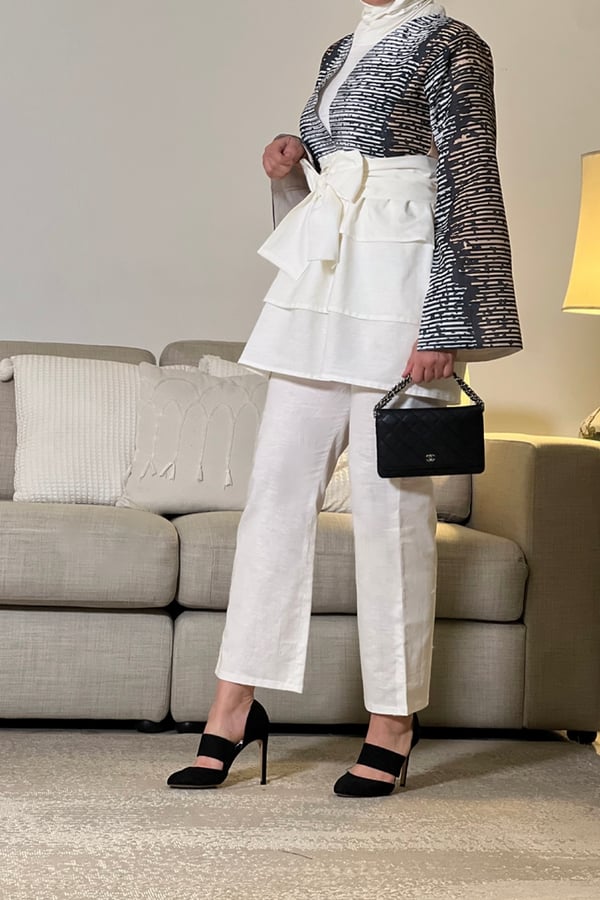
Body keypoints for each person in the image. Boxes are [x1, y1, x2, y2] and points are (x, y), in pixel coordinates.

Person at [167, 0, 522, 797]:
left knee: (391, 513)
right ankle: (233, 707)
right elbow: (336, 184)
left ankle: (392, 721)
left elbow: (469, 180)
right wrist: (290, 172)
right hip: (323, 292)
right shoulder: (339, 48)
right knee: (273, 497)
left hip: (404, 296)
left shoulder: (453, 42)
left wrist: (446, 324)